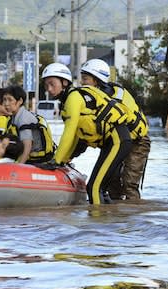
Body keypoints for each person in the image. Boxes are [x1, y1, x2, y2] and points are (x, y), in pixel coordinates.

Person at [42, 62, 132, 205]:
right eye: (46, 85)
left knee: (94, 188)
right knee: (101, 189)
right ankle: (112, 219)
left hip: (117, 140)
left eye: (52, 84)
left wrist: (57, 161)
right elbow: (78, 137)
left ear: (65, 82)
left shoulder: (74, 97)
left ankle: (97, 224)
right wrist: (64, 159)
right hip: (114, 142)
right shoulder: (68, 101)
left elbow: (69, 132)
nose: (49, 89)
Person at [81, 58, 151, 201]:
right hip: (118, 142)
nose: (82, 83)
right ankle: (115, 218)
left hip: (138, 142)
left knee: (129, 184)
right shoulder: (98, 98)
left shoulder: (112, 100)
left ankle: (133, 216)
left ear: (96, 81)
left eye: (85, 79)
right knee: (111, 181)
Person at [2, 85, 55, 164]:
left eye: (10, 100)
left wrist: (18, 167)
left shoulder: (24, 118)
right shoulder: (14, 116)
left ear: (20, 101)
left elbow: (27, 146)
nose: (6, 104)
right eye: (4, 100)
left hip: (37, 161)